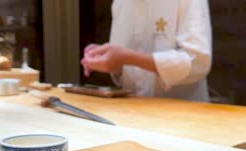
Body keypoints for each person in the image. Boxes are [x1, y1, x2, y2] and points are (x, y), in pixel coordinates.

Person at [81, 0, 212, 102]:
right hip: (133, 114)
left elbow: (198, 62)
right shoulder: (120, 3)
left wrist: (128, 58)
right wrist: (109, 62)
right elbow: (124, 72)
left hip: (184, 118)